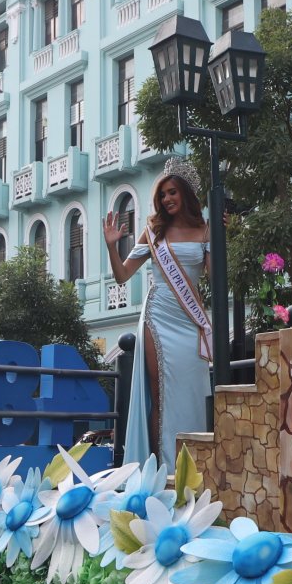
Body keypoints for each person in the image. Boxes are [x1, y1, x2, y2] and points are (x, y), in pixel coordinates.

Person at [105, 169, 213, 464]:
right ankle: (160, 467)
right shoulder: (153, 232)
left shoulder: (205, 231)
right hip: (158, 316)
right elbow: (123, 274)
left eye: (172, 192)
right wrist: (112, 246)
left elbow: (215, 277)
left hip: (190, 321)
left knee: (191, 391)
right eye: (162, 195)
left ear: (186, 195)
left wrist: (221, 239)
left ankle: (193, 465)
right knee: (160, 393)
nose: (166, 199)